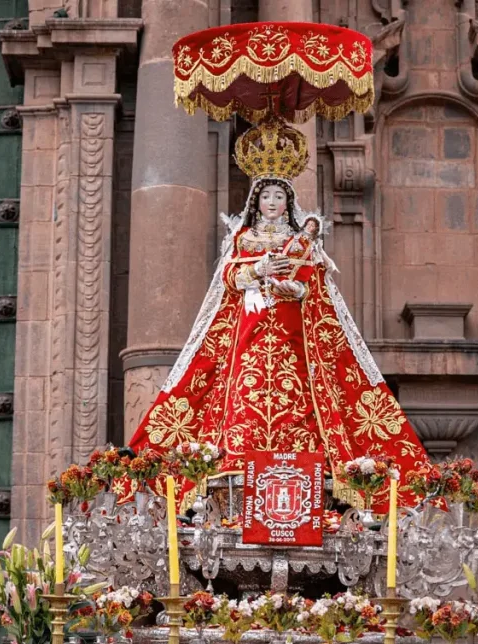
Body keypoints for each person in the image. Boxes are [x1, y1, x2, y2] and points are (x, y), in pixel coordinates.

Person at [127, 119, 428, 512]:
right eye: (266, 196)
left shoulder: (300, 242)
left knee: (300, 411)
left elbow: (318, 284)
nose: (272, 203)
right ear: (257, 201)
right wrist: (258, 271)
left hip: (294, 341)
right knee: (242, 402)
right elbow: (229, 278)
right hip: (249, 340)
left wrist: (299, 289)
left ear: (288, 201)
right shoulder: (242, 238)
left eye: (278, 197)